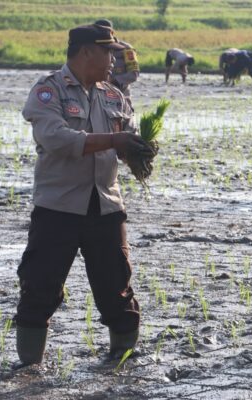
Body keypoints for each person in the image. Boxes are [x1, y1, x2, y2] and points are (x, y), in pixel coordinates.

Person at [14, 24, 154, 366]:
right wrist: (113, 141)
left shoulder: (114, 95)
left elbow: (126, 139)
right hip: (58, 208)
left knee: (116, 287)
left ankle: (123, 356)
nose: (113, 60)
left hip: (105, 206)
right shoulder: (49, 91)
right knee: (40, 286)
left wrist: (137, 150)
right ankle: (29, 365)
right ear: (86, 51)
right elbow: (57, 139)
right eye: (108, 52)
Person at [94, 19, 139, 101]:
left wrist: (114, 81)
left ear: (112, 32)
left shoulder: (126, 49)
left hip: (121, 97)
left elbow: (134, 74)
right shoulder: (91, 49)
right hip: (97, 98)